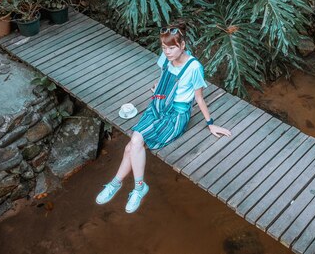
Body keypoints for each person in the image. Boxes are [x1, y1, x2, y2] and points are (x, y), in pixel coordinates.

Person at [95, 21, 232, 213]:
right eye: (164, 47)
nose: (167, 52)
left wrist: (211, 124)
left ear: (182, 45)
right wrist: (157, 88)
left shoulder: (194, 67)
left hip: (176, 116)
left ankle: (134, 186)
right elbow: (162, 77)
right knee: (133, 145)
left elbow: (199, 99)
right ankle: (119, 183)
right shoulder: (166, 57)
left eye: (171, 48)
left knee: (134, 141)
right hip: (158, 106)